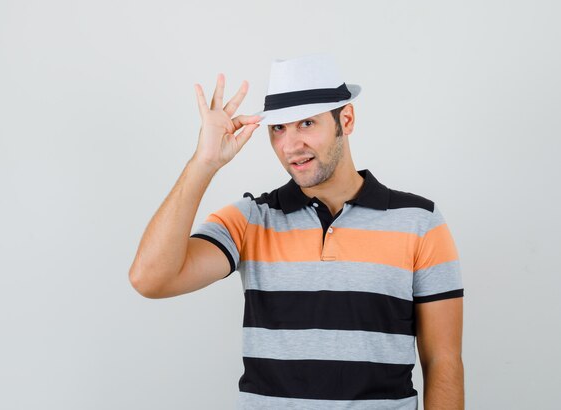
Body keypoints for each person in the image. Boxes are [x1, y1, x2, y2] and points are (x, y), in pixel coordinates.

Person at [129, 53, 465, 410]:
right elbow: (150, 279)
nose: (290, 146)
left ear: (346, 119)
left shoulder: (419, 220)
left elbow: (443, 361)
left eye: (306, 123)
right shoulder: (250, 220)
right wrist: (204, 163)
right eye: (279, 128)